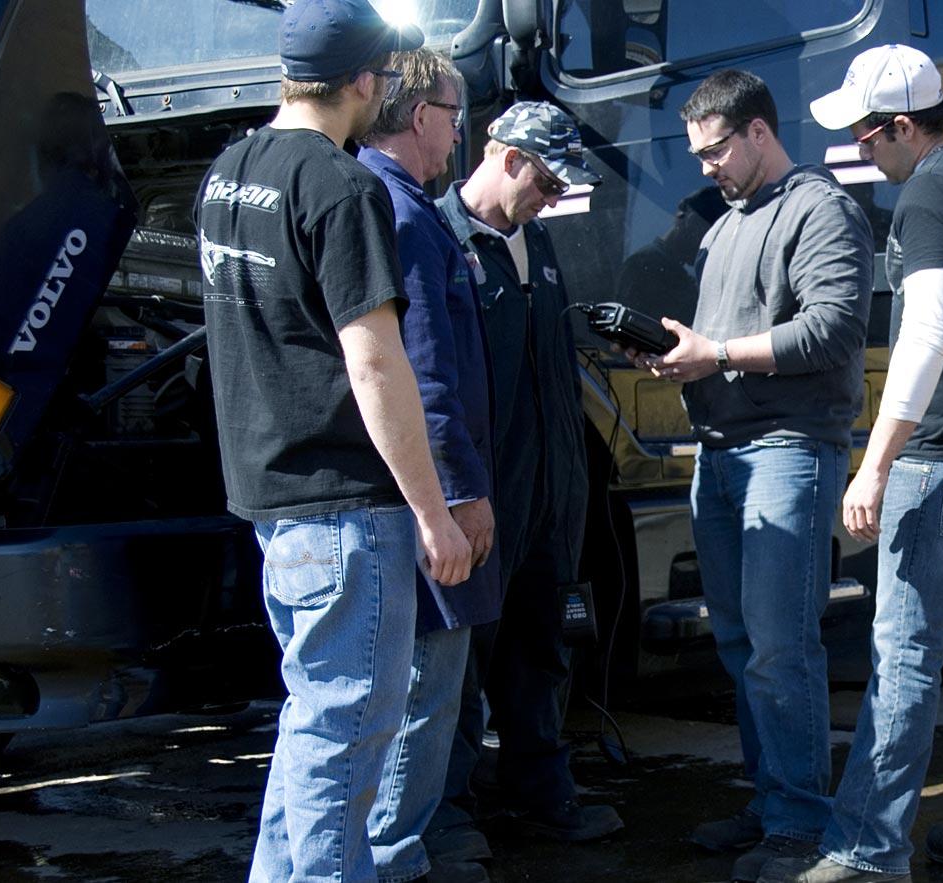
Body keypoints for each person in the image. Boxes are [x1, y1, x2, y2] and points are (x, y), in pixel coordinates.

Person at [194, 1, 473, 880]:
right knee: (348, 739)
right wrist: (434, 514)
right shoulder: (342, 186)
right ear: (362, 80)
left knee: (314, 725)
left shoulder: (229, 172)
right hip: (347, 509)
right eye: (383, 75)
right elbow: (378, 367)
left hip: (272, 501)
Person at [763, 44, 943, 883]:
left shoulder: (928, 193)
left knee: (905, 652)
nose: (859, 151)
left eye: (863, 135)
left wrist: (877, 462)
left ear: (898, 128)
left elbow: (926, 333)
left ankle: (865, 848)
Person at [638, 69, 873, 883]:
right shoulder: (725, 225)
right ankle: (774, 798)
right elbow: (724, 337)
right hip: (722, 450)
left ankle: (800, 824)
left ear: (760, 132)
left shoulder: (821, 210)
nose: (705, 166)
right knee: (741, 643)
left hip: (789, 449)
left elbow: (834, 330)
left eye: (715, 150)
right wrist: (678, 353)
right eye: (698, 152)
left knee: (781, 646)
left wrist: (720, 353)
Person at [426, 101, 623, 862]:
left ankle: (540, 788)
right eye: (545, 180)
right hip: (483, 493)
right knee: (461, 657)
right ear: (504, 157)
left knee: (542, 643)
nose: (553, 197)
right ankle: (445, 809)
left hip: (550, 493)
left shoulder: (536, 244)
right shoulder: (442, 239)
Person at [356, 48, 502, 883]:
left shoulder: (391, 202)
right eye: (453, 116)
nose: (457, 135)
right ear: (420, 117)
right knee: (422, 697)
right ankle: (393, 860)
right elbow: (426, 375)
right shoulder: (407, 216)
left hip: (401, 497)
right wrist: (458, 498)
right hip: (429, 501)